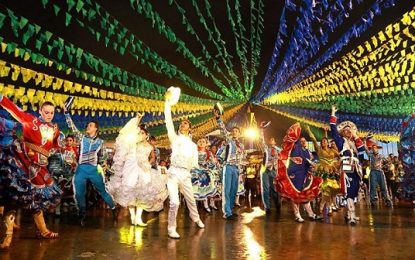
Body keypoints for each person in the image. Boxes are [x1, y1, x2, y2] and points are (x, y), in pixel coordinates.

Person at [0, 94, 62, 240]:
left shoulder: (55, 128)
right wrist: (2, 98)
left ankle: (41, 230)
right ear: (40, 111)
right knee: (16, 198)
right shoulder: (30, 120)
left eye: (52, 113)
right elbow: (14, 110)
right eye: (46, 112)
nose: (49, 115)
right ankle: (7, 237)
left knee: (34, 200)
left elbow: (54, 145)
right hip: (24, 164)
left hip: (41, 168)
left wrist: (57, 149)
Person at [108, 114, 168, 226]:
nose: (140, 134)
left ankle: (138, 218)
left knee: (143, 194)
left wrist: (148, 164)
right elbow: (130, 130)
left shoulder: (150, 147)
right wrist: (138, 119)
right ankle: (132, 217)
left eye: (142, 133)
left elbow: (152, 158)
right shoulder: (133, 144)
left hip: (144, 169)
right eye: (139, 133)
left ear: (146, 136)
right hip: (132, 169)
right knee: (130, 193)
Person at [63, 106, 118, 227]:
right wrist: (66, 113)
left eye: (91, 125)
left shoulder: (101, 142)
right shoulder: (82, 138)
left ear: (96, 129)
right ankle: (82, 214)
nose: (88, 126)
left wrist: (103, 167)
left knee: (102, 191)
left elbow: (103, 157)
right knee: (79, 193)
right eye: (88, 125)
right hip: (81, 169)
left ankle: (114, 208)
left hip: (94, 169)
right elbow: (71, 126)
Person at [164, 87, 204, 239]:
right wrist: (167, 103)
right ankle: (171, 228)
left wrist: (195, 173)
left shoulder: (194, 146)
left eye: (185, 123)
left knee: (191, 199)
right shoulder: (174, 138)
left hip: (186, 174)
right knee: (174, 202)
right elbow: (168, 120)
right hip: (173, 173)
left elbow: (194, 163)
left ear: (190, 128)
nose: (182, 124)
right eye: (181, 123)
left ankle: (196, 218)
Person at [275, 123, 323, 223]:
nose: (303, 142)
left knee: (305, 196)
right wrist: (295, 132)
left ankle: (311, 214)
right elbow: (289, 142)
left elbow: (310, 163)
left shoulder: (308, 152)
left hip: (305, 176)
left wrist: (313, 166)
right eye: (301, 141)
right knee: (295, 195)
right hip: (294, 175)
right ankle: (297, 215)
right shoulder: (295, 147)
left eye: (304, 141)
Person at [329, 105, 366, 225]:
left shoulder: (354, 143)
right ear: (342, 132)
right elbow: (333, 129)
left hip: (356, 168)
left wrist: (355, 136)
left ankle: (349, 213)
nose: (348, 131)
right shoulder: (340, 141)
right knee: (349, 190)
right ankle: (352, 215)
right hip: (347, 165)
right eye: (346, 130)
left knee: (354, 191)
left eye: (350, 130)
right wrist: (333, 113)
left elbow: (362, 154)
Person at [214, 109, 245, 220]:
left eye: (237, 131)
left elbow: (242, 158)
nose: (234, 132)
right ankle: (227, 212)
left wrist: (241, 168)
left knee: (233, 190)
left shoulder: (241, 145)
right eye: (233, 131)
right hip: (228, 167)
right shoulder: (229, 140)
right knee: (226, 190)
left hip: (237, 169)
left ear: (240, 133)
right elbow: (222, 129)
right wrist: (218, 118)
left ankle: (231, 209)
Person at [305, 125, 340, 215]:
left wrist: (338, 164)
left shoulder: (332, 150)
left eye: (325, 141)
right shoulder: (319, 150)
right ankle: (328, 207)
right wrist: (309, 130)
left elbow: (341, 155)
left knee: (333, 190)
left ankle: (324, 204)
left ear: (327, 143)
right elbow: (313, 139)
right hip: (323, 172)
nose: (323, 142)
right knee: (326, 189)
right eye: (322, 142)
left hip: (332, 171)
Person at [191, 137, 218, 213]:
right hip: (194, 172)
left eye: (203, 141)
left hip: (204, 172)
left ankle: (206, 206)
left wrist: (208, 166)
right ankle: (193, 208)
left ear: (206, 144)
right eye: (200, 141)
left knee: (204, 190)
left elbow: (213, 163)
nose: (201, 143)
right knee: (194, 191)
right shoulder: (193, 151)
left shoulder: (208, 153)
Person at [259, 122, 282, 214]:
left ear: (275, 142)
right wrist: (261, 130)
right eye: (270, 139)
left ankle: (277, 202)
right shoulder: (265, 148)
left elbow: (285, 156)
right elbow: (261, 140)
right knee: (265, 188)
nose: (272, 140)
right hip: (265, 170)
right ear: (269, 142)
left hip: (274, 170)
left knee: (274, 189)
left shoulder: (278, 150)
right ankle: (267, 207)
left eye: (273, 139)